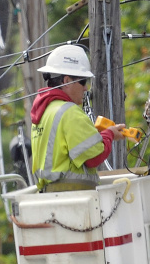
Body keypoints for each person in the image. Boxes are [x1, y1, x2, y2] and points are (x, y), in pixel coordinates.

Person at [30, 45, 126, 192]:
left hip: (50, 194)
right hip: (73, 195)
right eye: (83, 81)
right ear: (66, 80)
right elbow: (94, 156)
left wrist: (96, 135)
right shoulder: (69, 112)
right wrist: (109, 134)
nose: (86, 88)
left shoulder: (45, 112)